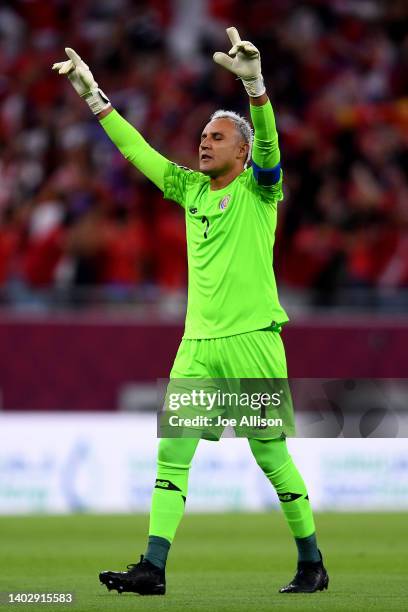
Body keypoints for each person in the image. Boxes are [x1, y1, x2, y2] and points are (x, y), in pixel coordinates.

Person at [53, 27, 328, 596]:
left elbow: (274, 149)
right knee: (172, 458)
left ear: (241, 151)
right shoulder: (189, 190)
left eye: (218, 136)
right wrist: (93, 95)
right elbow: (137, 151)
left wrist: (256, 89)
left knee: (271, 459)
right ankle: (153, 567)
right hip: (197, 345)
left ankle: (311, 562)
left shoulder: (261, 190)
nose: (204, 142)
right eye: (203, 134)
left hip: (252, 340)